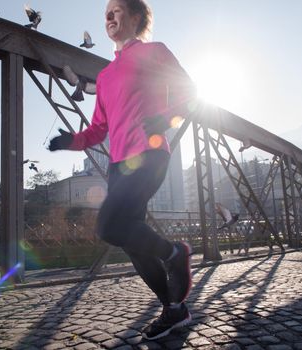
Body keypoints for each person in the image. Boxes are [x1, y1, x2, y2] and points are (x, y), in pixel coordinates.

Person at [48, 0, 197, 340]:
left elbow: (190, 93)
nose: (108, 17)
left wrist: (166, 118)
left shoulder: (156, 52)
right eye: (105, 13)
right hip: (119, 166)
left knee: (108, 225)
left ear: (136, 17)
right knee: (132, 241)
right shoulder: (104, 76)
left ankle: (176, 253)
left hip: (150, 154)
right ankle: (175, 310)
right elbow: (98, 129)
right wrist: (71, 141)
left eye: (116, 10)